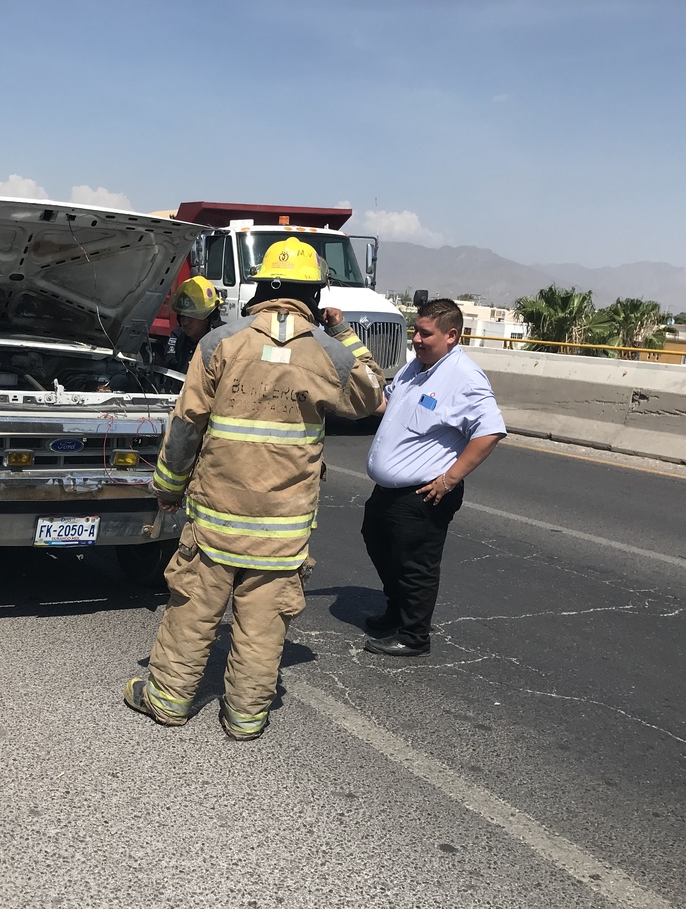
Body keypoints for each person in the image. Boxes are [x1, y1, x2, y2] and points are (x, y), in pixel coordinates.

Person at [124, 238, 384, 741]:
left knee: (194, 611)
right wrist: (344, 332)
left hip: (217, 519)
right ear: (314, 293)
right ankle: (245, 720)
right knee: (263, 627)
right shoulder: (328, 353)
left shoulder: (219, 342)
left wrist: (168, 487)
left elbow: (186, 425)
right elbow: (373, 395)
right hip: (282, 528)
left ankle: (168, 702)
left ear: (263, 286)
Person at [359, 297, 506, 657]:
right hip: (389, 490)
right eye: (415, 332)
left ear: (451, 335)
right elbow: (386, 403)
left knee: (415, 563)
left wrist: (449, 479)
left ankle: (413, 635)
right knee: (378, 543)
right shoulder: (416, 367)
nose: (417, 340)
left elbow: (489, 431)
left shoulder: (464, 377)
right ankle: (395, 611)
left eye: (425, 334)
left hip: (424, 492)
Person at [163, 276, 223, 373]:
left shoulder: (223, 341)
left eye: (191, 316)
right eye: (182, 316)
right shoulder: (180, 337)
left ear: (208, 317)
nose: (185, 322)